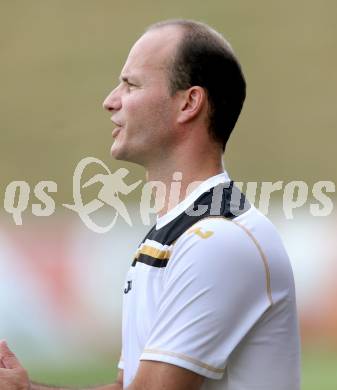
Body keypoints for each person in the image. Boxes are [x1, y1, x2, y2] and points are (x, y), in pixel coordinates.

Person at [0, 19, 301, 390]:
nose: (110, 101)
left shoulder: (219, 241)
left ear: (189, 102)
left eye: (131, 84)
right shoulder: (177, 234)